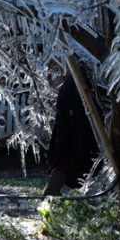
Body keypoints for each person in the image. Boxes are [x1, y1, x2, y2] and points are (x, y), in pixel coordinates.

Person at [42, 65, 100, 197]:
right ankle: (51, 198)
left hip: (74, 137)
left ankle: (51, 196)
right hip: (75, 136)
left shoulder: (77, 84)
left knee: (65, 160)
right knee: (65, 161)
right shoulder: (76, 84)